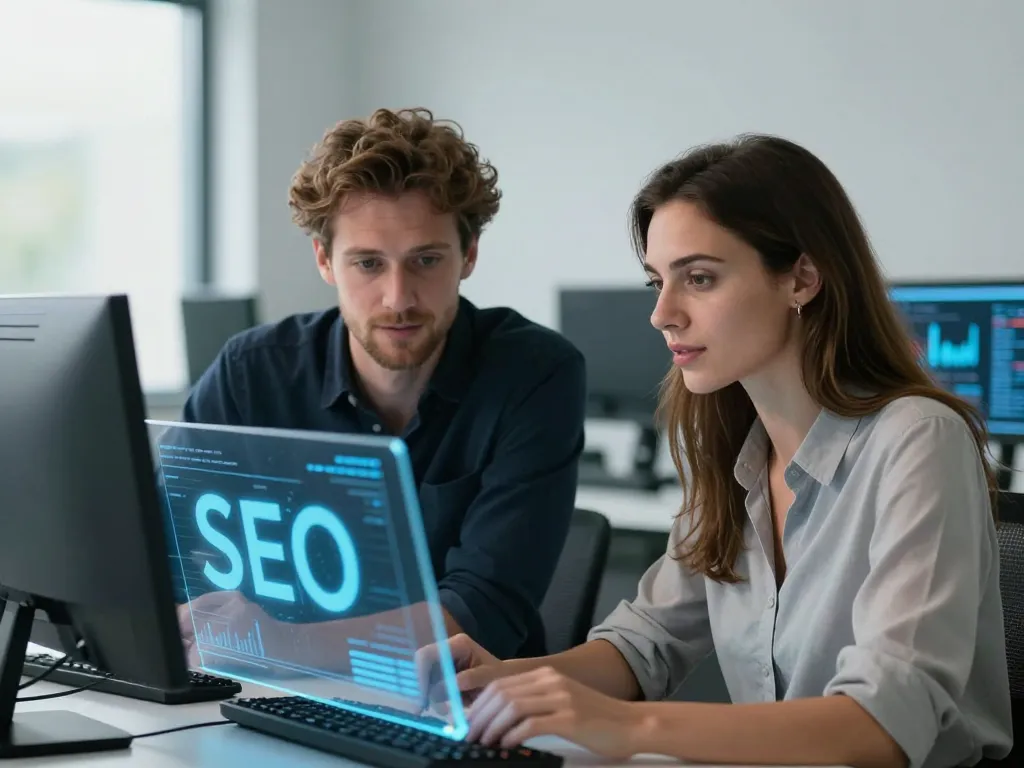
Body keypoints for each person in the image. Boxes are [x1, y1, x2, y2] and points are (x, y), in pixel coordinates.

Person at [428, 135, 1013, 768]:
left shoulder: (917, 440)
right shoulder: (732, 457)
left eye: (699, 278)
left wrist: (628, 726)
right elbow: (643, 644)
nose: (661, 314)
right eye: (658, 281)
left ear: (802, 277)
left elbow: (883, 723)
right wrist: (512, 682)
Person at [177, 108, 586, 661]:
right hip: (263, 688)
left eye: (426, 260)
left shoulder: (534, 375)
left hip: (457, 706)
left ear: (468, 256)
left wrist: (289, 646)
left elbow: (482, 609)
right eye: (368, 263)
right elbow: (164, 544)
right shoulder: (251, 372)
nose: (398, 298)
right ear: (325, 260)